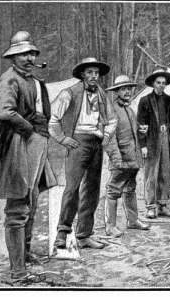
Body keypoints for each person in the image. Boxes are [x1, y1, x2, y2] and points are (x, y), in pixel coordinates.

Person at [0, 31, 57, 279]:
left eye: (31, 53)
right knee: (18, 205)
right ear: (13, 57)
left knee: (32, 199)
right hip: (19, 145)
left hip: (37, 145)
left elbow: (43, 113)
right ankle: (17, 271)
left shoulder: (34, 81)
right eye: (23, 54)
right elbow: (4, 112)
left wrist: (40, 129)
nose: (28, 58)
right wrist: (29, 128)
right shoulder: (9, 79)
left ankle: (25, 255)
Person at [49, 57, 118, 249]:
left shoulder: (102, 95)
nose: (94, 76)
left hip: (96, 143)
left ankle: (84, 235)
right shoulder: (68, 93)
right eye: (90, 72)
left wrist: (105, 136)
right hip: (77, 142)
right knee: (72, 188)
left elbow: (112, 120)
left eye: (96, 73)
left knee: (92, 190)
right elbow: (53, 119)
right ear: (82, 74)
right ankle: (62, 234)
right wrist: (63, 139)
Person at [103, 75, 151, 238]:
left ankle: (133, 220)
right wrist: (117, 159)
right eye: (123, 89)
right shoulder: (111, 110)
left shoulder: (130, 109)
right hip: (121, 159)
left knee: (130, 188)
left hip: (133, 158)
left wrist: (141, 131)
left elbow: (132, 131)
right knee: (113, 191)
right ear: (116, 92)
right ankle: (110, 226)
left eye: (129, 89)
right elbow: (109, 138)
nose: (127, 92)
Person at [137, 68, 170, 219]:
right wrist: (142, 145)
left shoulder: (169, 100)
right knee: (151, 174)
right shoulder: (145, 101)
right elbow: (141, 125)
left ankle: (163, 205)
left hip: (165, 138)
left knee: (165, 173)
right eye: (159, 83)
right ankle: (150, 206)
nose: (161, 85)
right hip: (151, 140)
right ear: (153, 84)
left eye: (164, 83)